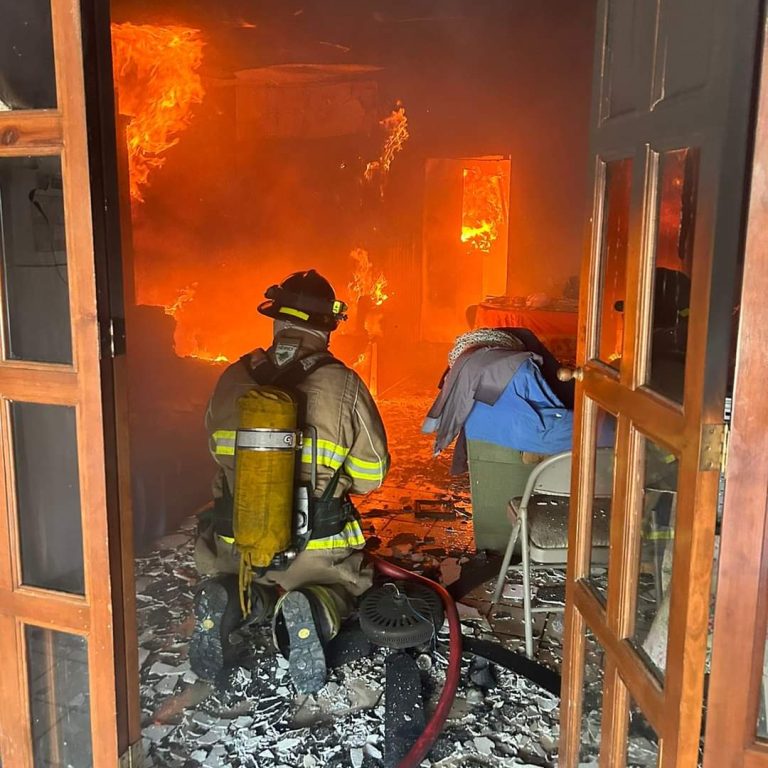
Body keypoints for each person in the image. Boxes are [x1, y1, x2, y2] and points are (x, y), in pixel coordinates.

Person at [191, 269, 389, 693]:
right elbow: (373, 475)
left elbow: (214, 452)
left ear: (276, 318)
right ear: (328, 326)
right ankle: (311, 605)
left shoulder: (232, 377)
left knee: (241, 578)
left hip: (237, 540)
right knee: (343, 585)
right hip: (316, 545)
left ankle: (232, 600)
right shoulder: (344, 385)